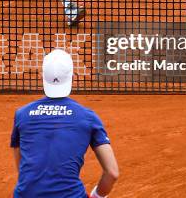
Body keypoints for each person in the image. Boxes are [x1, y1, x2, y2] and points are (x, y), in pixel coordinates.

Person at [10, 49, 119, 197]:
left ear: (41, 75)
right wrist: (96, 196)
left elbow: (22, 169)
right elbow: (112, 173)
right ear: (72, 76)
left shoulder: (22, 114)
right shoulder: (88, 117)